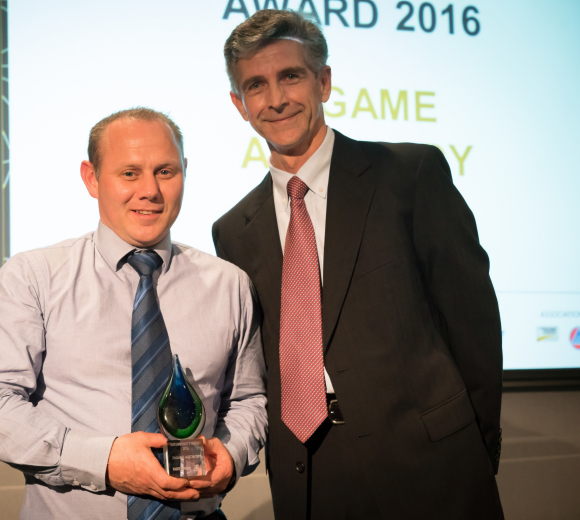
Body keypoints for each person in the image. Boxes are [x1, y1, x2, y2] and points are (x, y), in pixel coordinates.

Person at [212, 10, 503, 520]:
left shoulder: (409, 175)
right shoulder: (233, 229)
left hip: (432, 469)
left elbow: (472, 322)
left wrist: (476, 451)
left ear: (323, 81)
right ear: (239, 104)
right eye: (255, 85)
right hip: (312, 476)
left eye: (291, 76)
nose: (275, 98)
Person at [0, 108, 267, 520]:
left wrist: (231, 453)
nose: (150, 190)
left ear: (185, 173)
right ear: (91, 178)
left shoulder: (229, 284)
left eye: (166, 171)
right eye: (130, 173)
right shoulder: (33, 278)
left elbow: (248, 401)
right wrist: (104, 460)